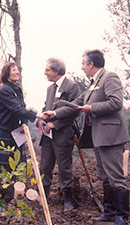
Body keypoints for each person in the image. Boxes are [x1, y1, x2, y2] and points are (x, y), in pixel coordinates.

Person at [40, 50, 129, 225]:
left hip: (111, 136)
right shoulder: (92, 84)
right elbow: (76, 105)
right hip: (98, 136)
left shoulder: (110, 77)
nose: (81, 67)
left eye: (82, 64)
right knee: (104, 176)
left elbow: (116, 102)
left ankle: (123, 215)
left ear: (91, 64)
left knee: (116, 176)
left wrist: (91, 108)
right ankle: (109, 212)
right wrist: (55, 113)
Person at [0, 62, 37, 194]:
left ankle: (12, 192)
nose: (17, 72)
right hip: (1, 129)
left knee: (15, 162)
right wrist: (36, 115)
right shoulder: (5, 89)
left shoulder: (17, 90)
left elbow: (21, 107)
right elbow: (15, 108)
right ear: (7, 73)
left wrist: (24, 122)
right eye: (13, 70)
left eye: (17, 70)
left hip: (14, 130)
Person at [37, 58, 80, 211]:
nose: (44, 73)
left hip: (63, 134)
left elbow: (74, 110)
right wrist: (41, 121)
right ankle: (43, 197)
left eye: (47, 70)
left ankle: (68, 199)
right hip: (47, 137)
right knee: (45, 166)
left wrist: (55, 124)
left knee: (64, 168)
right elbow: (46, 107)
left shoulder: (72, 86)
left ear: (56, 71)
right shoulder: (50, 89)